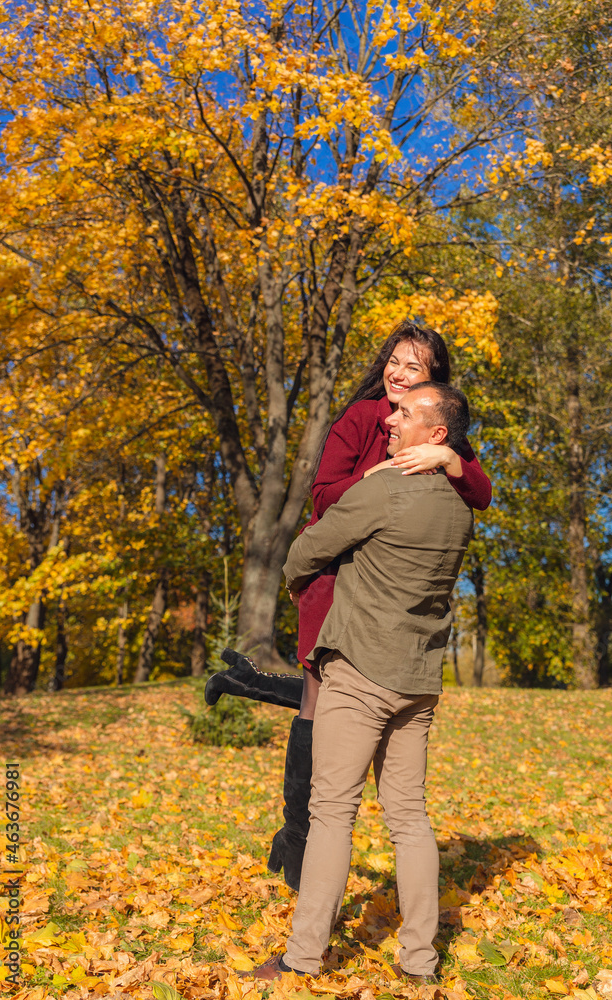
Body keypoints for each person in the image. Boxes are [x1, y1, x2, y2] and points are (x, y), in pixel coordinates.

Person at [205, 320, 490, 889]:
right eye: (394, 360)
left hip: (388, 587)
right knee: (319, 698)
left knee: (337, 697)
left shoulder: (435, 433)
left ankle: (247, 683)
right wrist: (382, 475)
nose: (398, 373)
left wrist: (449, 462)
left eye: (414, 367)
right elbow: (323, 495)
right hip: (333, 575)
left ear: (432, 382)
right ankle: (299, 842)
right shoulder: (362, 419)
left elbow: (479, 493)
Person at [241, 382, 475, 982]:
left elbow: (307, 549)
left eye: (404, 415)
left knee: (331, 814)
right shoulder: (459, 507)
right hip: (418, 682)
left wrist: (299, 585)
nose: (390, 421)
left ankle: (301, 958)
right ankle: (420, 963)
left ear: (437, 434)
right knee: (409, 818)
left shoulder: (387, 490)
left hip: (360, 674)